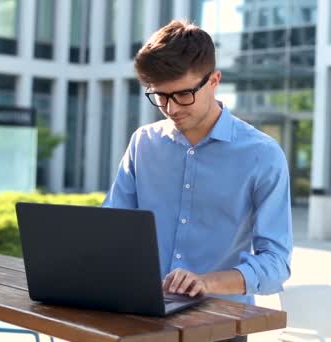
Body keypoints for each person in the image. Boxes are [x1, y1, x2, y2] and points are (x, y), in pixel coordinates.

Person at [103, 20, 292, 340]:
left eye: (183, 94)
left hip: (219, 326)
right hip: (142, 322)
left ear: (214, 80)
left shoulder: (262, 154)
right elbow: (111, 228)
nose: (171, 107)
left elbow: (276, 264)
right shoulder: (143, 143)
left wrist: (207, 282)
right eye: (160, 96)